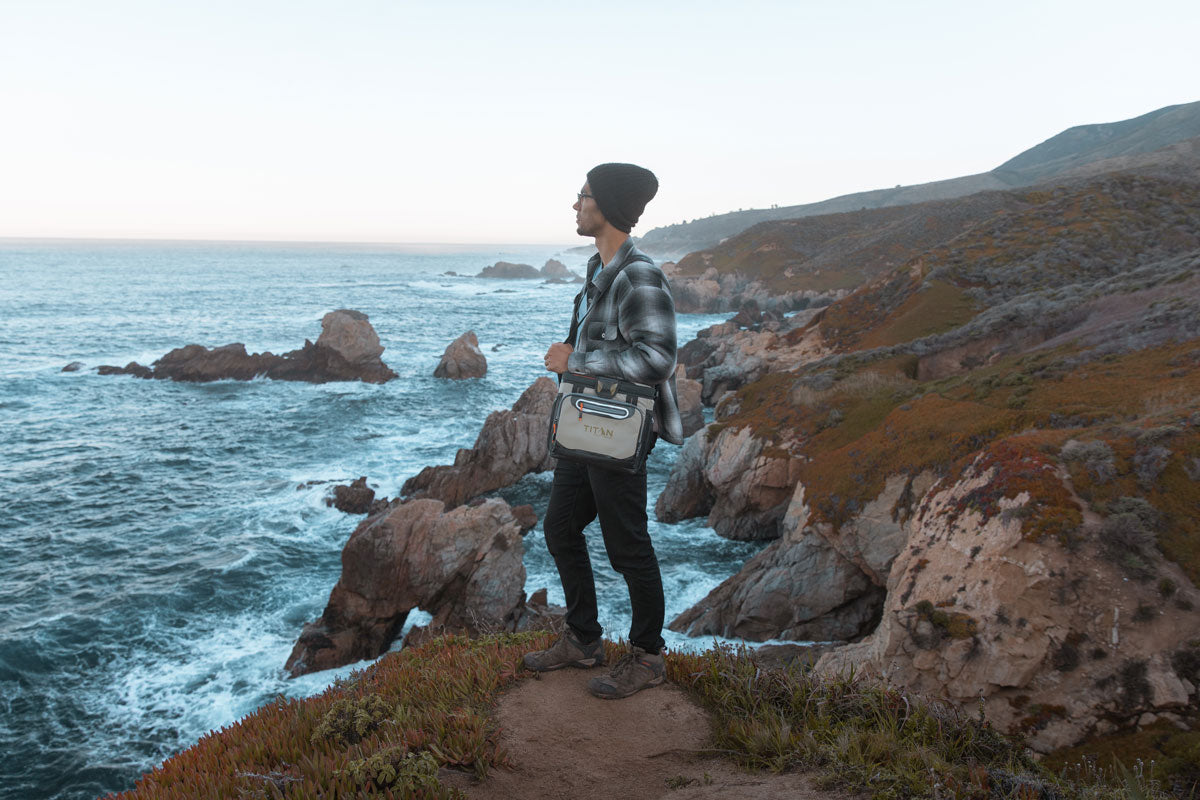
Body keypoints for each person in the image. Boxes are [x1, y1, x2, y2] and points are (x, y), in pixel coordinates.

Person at [523, 162, 684, 699]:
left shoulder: (639, 275)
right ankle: (583, 638)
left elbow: (657, 358)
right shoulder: (599, 268)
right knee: (560, 527)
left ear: (607, 207)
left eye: (583, 195)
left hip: (618, 430)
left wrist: (577, 358)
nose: (575, 204)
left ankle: (647, 655)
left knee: (627, 544)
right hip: (584, 426)